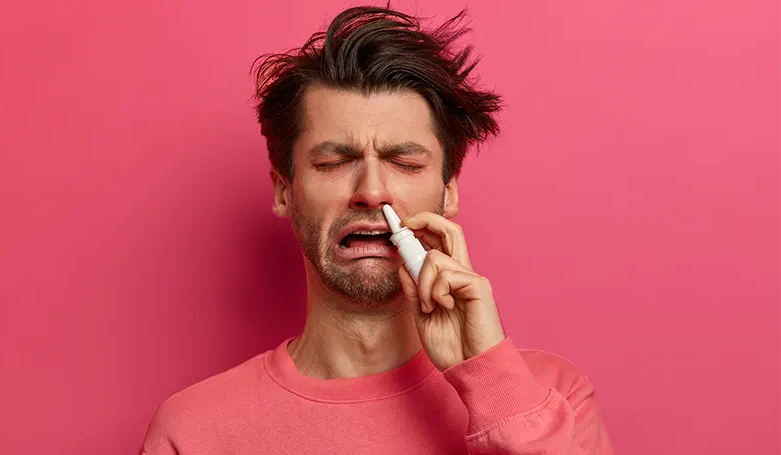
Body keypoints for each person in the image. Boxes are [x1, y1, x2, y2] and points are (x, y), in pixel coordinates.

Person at [141, 5, 613, 454]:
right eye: (333, 161)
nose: (372, 191)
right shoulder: (194, 431)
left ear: (448, 191)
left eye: (404, 162)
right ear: (285, 191)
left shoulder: (552, 399)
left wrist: (490, 379)